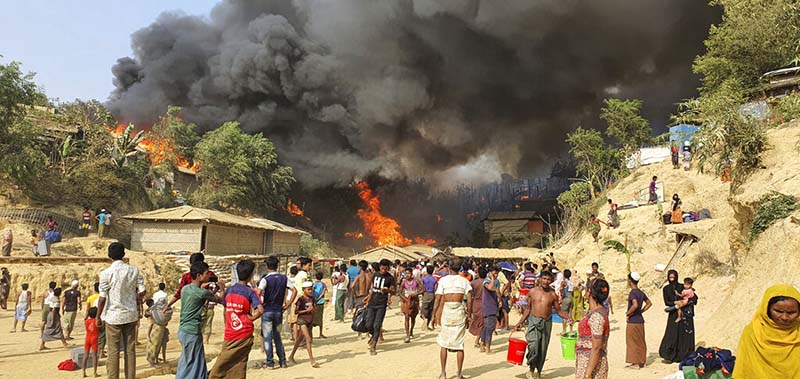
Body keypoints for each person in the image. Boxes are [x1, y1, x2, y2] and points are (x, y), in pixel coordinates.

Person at [97, 242, 146, 379]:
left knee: (113, 351)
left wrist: (98, 316)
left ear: (109, 256)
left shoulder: (106, 273)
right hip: (130, 314)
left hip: (113, 316)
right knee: (130, 350)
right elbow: (142, 291)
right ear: (124, 254)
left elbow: (102, 298)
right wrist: (133, 298)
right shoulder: (134, 270)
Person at [209, 260, 263, 379]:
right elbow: (260, 310)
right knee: (240, 363)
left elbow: (224, 304)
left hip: (231, 332)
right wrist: (250, 319)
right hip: (244, 332)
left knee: (223, 362)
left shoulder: (230, 290)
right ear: (251, 276)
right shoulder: (250, 292)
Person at [733, 284, 800, 379]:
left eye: (791, 313)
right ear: (767, 309)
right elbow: (745, 368)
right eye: (778, 311)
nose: (785, 317)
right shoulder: (753, 332)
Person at [175, 261, 225, 379]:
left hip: (183, 330)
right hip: (192, 332)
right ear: (199, 276)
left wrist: (209, 289)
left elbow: (202, 297)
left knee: (192, 359)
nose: (208, 276)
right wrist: (222, 289)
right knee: (191, 362)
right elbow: (219, 299)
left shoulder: (186, 289)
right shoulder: (201, 292)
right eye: (206, 274)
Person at [515, 270, 567, 379]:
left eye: (548, 279)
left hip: (546, 323)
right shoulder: (532, 292)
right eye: (544, 278)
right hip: (533, 321)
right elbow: (528, 309)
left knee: (542, 349)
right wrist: (519, 323)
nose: (546, 281)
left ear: (551, 281)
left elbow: (558, 310)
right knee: (533, 345)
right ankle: (531, 367)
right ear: (539, 279)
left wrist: (568, 317)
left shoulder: (553, 294)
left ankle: (538, 372)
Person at [433, 259, 472, 379]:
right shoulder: (464, 281)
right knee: (459, 345)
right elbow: (469, 300)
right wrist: (468, 316)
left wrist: (434, 315)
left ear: (449, 268)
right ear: (459, 268)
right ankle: (459, 374)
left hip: (447, 312)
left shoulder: (443, 280)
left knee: (444, 344)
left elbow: (438, 299)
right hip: (459, 311)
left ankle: (443, 373)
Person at [257, 255, 296, 369]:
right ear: (277, 265)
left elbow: (258, 293)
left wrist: (259, 307)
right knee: (278, 337)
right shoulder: (284, 278)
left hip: (267, 311)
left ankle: (270, 362)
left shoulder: (265, 280)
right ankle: (283, 361)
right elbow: (294, 290)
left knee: (268, 338)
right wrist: (287, 305)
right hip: (279, 312)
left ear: (267, 266)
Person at [658, 270, 698, 363]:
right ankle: (669, 355)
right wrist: (675, 303)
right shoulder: (666, 289)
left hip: (685, 314)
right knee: (672, 334)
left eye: (673, 277)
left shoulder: (682, 287)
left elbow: (694, 298)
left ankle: (684, 355)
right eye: (670, 277)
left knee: (684, 334)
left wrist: (684, 303)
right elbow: (667, 302)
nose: (672, 279)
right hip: (673, 314)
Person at [575, 278, 610, 379]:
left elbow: (596, 347)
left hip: (590, 365)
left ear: (589, 291)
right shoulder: (597, 312)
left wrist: (588, 374)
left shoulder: (596, 316)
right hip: (587, 362)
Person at [363, 259, 395, 354]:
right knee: (368, 324)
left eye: (385, 269)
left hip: (381, 304)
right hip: (372, 303)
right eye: (382, 268)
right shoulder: (375, 275)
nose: (384, 270)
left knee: (377, 325)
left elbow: (394, 291)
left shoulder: (390, 278)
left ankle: (373, 346)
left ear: (388, 268)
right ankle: (374, 336)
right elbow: (372, 289)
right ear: (380, 267)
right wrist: (368, 298)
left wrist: (388, 290)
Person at [289, 281, 319, 367]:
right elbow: (296, 311)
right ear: (304, 290)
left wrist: (313, 310)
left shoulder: (312, 299)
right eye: (308, 289)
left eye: (311, 289)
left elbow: (314, 309)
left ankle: (291, 356)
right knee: (308, 339)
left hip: (310, 320)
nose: (310, 291)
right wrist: (307, 310)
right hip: (302, 320)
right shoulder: (301, 299)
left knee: (299, 339)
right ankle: (312, 360)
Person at [625, 272, 652, 369]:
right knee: (640, 340)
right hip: (640, 320)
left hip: (633, 320)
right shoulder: (640, 292)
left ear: (630, 281)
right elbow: (649, 303)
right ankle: (642, 361)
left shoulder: (633, 292)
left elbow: (635, 304)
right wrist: (641, 311)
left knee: (632, 341)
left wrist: (628, 313)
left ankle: (635, 363)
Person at [400, 265, 423, 343]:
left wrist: (416, 294)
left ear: (411, 274)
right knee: (406, 317)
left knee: (413, 318)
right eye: (406, 274)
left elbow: (423, 289)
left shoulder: (416, 281)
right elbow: (399, 292)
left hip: (415, 301)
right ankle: (407, 335)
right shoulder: (404, 282)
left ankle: (411, 330)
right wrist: (404, 299)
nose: (407, 275)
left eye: (408, 273)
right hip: (407, 302)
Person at [481, 266, 501, 353]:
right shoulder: (487, 281)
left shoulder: (496, 282)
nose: (496, 275)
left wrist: (499, 301)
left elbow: (497, 292)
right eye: (494, 273)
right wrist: (492, 278)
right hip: (488, 306)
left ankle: (483, 344)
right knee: (489, 327)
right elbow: (489, 287)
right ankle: (487, 347)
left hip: (493, 306)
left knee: (487, 327)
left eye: (497, 274)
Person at [468, 267, 485, 348]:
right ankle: (478, 340)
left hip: (475, 303)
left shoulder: (473, 283)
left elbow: (469, 297)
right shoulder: (486, 283)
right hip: (484, 303)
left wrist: (469, 309)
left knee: (477, 321)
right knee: (482, 323)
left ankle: (479, 339)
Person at [83, 307, 100, 378]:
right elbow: (100, 327)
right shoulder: (97, 321)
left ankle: (83, 372)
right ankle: (94, 372)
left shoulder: (86, 321)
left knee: (85, 355)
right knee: (94, 356)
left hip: (88, 338)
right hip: (95, 338)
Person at [420, 265, 438, 331]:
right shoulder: (434, 280)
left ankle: (424, 318)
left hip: (426, 294)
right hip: (432, 294)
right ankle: (427, 325)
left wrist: (422, 294)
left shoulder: (424, 279)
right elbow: (436, 289)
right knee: (430, 310)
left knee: (423, 309)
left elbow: (422, 288)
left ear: (427, 271)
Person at [311, 271, 327, 338]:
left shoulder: (313, 284)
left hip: (314, 302)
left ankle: (311, 334)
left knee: (312, 318)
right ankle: (320, 333)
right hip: (320, 302)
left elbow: (311, 291)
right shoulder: (323, 284)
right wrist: (319, 298)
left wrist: (314, 299)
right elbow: (323, 292)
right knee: (320, 317)